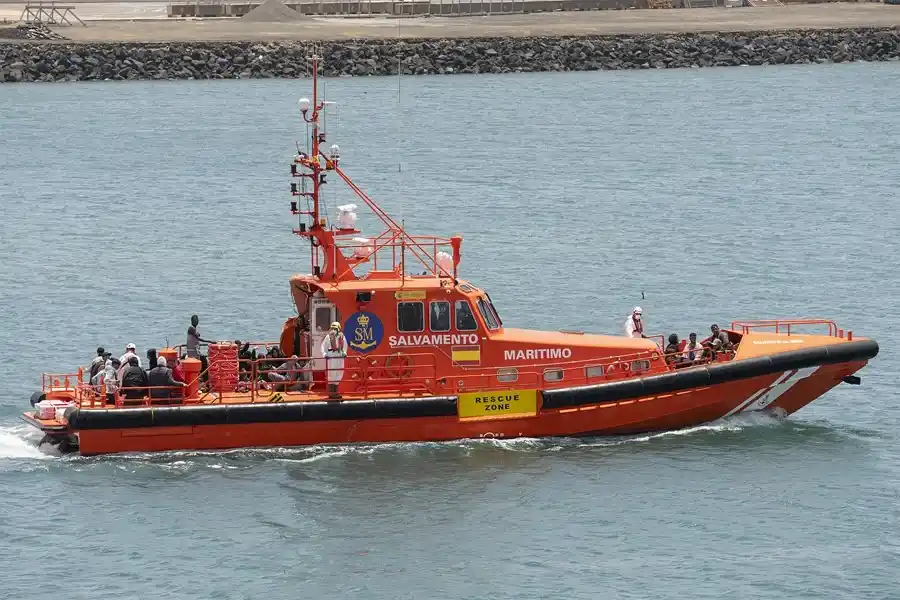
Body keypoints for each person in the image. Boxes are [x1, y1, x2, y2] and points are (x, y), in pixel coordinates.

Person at [321, 321, 348, 399]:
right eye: (333, 328)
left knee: (339, 374)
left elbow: (345, 346)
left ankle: (336, 392)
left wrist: (345, 353)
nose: (334, 329)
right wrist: (325, 354)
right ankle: (331, 393)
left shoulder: (342, 337)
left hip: (339, 357)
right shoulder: (328, 337)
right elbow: (323, 347)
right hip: (331, 357)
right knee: (331, 375)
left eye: (336, 328)